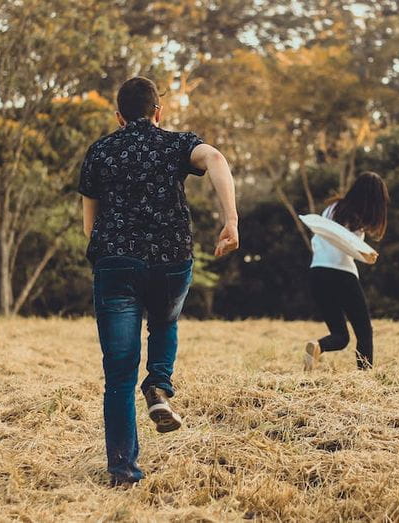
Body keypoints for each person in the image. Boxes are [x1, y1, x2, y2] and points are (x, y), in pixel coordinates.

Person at [78, 76, 239, 487]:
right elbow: (217, 160)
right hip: (170, 259)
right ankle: (159, 385)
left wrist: (106, 256)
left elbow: (88, 225)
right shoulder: (176, 143)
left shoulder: (99, 152)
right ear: (158, 112)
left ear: (118, 117)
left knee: (117, 375)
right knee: (165, 322)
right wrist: (230, 221)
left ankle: (123, 471)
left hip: (115, 263)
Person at [303, 171, 389, 372]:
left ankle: (317, 346)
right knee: (364, 332)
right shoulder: (357, 218)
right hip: (342, 274)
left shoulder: (331, 209)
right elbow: (352, 247)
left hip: (316, 273)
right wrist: (368, 254)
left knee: (341, 337)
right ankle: (364, 379)